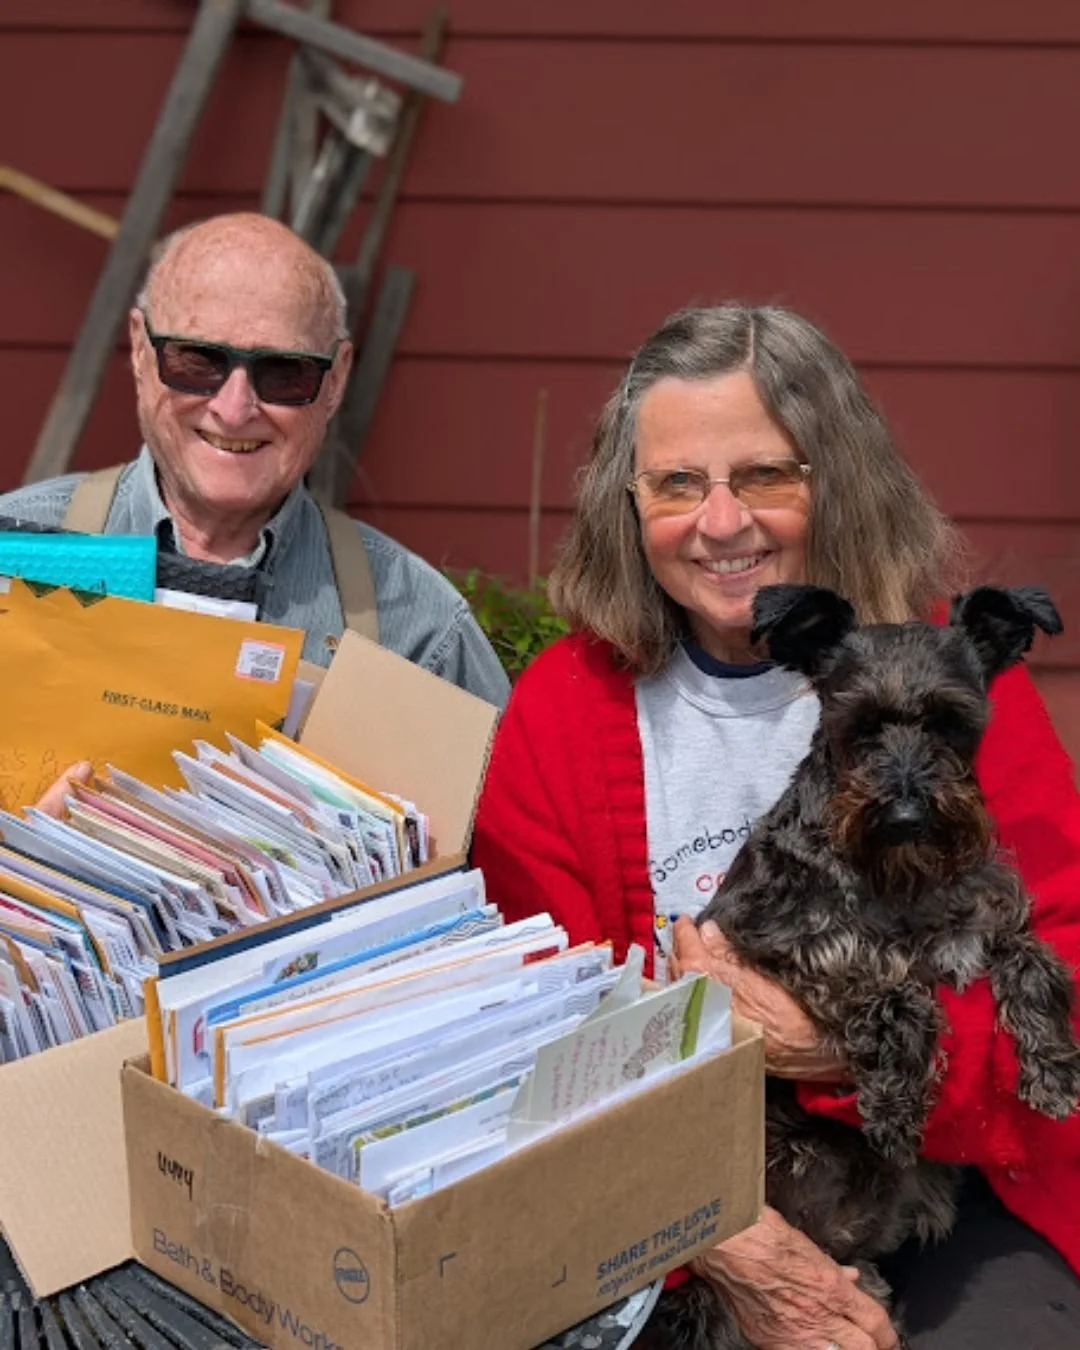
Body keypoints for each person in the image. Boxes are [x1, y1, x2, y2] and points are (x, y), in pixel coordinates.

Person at [471, 304, 1080, 1348]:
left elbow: (1063, 961)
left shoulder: (949, 676)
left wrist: (840, 1053)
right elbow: (528, 1042)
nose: (720, 523)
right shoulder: (565, 706)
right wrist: (737, 1246)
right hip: (669, 1198)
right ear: (630, 504)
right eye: (677, 484)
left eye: (764, 476)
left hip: (951, 1175)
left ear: (836, 479)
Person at [0, 212, 509, 707]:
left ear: (335, 381)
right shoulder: (12, 552)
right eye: (197, 360)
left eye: (283, 371)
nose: (234, 409)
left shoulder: (419, 631)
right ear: (139, 350)